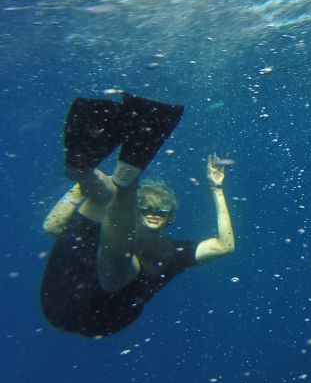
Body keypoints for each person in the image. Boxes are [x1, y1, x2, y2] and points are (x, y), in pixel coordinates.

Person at [40, 93, 235, 337]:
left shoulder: (175, 252)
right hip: (64, 297)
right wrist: (82, 188)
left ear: (170, 218)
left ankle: (124, 181)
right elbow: (52, 225)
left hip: (108, 312)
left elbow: (224, 245)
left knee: (119, 259)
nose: (154, 214)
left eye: (161, 211)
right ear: (135, 209)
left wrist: (216, 188)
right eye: (146, 209)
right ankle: (83, 172)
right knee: (106, 198)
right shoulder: (116, 220)